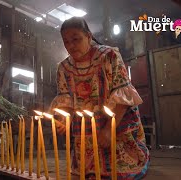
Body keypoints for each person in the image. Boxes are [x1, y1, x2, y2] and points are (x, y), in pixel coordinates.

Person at [50, 17, 149, 179]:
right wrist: (63, 119)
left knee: (120, 171)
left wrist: (109, 130)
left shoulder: (109, 56)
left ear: (89, 36)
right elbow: (65, 100)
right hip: (86, 131)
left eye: (76, 39)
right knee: (85, 172)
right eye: (66, 42)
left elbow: (123, 97)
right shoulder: (64, 68)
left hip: (116, 123)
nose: (71, 46)